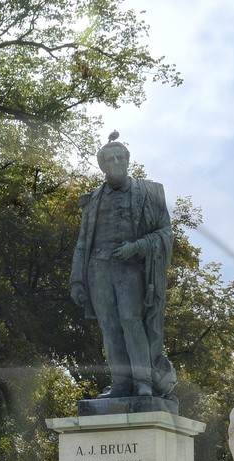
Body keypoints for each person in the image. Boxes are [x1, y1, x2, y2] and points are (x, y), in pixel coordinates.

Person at [70, 132, 178, 400]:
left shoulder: (149, 192)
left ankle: (142, 381)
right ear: (102, 165)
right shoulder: (93, 200)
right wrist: (76, 280)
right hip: (98, 268)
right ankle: (119, 383)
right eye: (110, 159)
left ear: (128, 161)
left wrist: (138, 247)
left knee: (131, 322)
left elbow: (166, 232)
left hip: (130, 266)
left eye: (121, 157)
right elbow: (83, 242)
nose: (116, 162)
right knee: (109, 326)